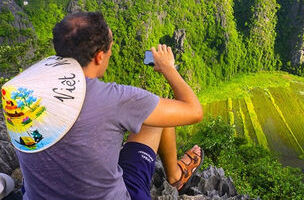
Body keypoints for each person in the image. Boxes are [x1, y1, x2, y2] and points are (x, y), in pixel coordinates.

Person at [15, 12, 204, 199]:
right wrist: (168, 68)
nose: (111, 53)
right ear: (99, 56)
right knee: (157, 116)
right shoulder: (116, 98)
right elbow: (194, 111)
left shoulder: (22, 92)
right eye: (110, 48)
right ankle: (176, 176)